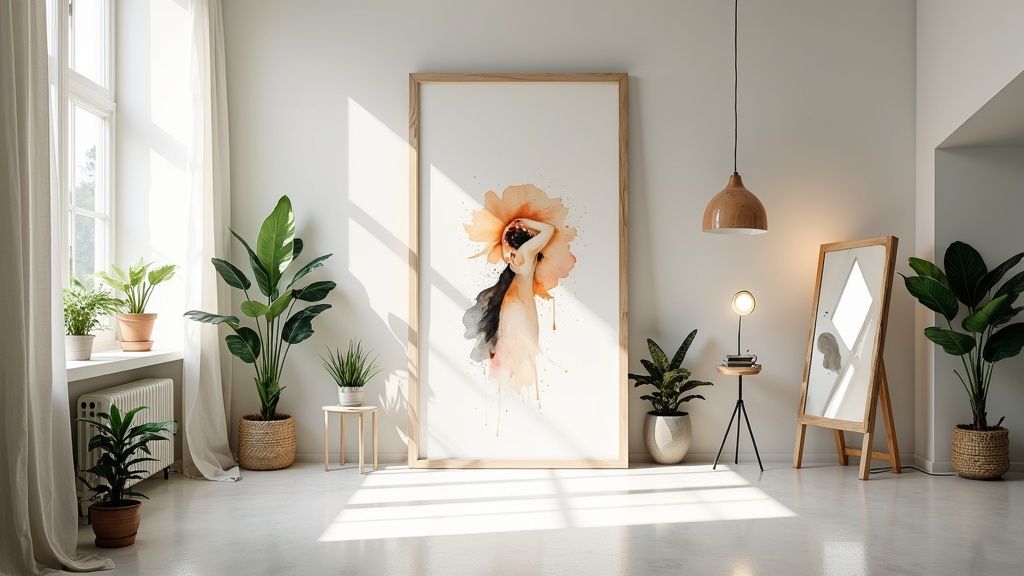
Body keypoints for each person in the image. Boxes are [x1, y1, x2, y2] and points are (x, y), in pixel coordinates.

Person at [464, 217, 554, 401]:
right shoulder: (525, 254)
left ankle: (513, 395)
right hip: (518, 308)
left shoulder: (525, 252)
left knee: (515, 352)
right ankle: (519, 396)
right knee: (519, 353)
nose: (504, 249)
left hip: (516, 308)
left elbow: (549, 230)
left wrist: (523, 221)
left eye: (505, 242)